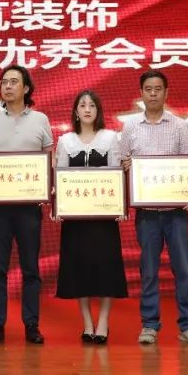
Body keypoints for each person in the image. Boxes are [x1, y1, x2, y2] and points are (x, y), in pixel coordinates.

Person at [117, 69, 188, 345]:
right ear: (141, 93)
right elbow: (121, 164)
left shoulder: (179, 126)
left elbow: (187, 166)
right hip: (146, 214)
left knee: (183, 270)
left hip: (176, 213)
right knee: (149, 271)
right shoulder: (130, 127)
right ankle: (149, 324)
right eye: (148, 89)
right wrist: (126, 166)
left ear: (166, 93)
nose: (153, 93)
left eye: (158, 89)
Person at [0, 65, 54, 345]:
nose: (7, 86)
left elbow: (49, 158)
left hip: (29, 207)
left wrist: (48, 187)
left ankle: (31, 325)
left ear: (26, 88)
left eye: (13, 82)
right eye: (4, 82)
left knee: (30, 268)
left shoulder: (40, 119)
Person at [53, 90, 128, 344]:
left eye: (92, 105)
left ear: (98, 111)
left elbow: (116, 176)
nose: (87, 109)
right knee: (78, 269)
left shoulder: (110, 138)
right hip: (75, 220)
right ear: (76, 111)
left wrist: (120, 207)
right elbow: (59, 178)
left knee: (106, 268)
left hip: (103, 218)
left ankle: (103, 322)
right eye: (82, 105)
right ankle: (87, 323)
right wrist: (57, 208)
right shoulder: (65, 140)